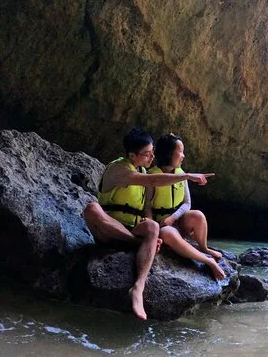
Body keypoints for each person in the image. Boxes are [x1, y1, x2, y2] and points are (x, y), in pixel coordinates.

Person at [82, 128, 211, 320]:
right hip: (108, 232)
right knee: (91, 208)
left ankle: (138, 287)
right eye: (147, 153)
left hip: (132, 229)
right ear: (132, 155)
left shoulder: (142, 168)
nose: (152, 157)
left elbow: (149, 208)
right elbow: (153, 180)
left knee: (152, 226)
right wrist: (188, 176)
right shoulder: (118, 170)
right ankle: (137, 243)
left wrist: (154, 225)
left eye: (152, 152)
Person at [144, 133, 225, 280]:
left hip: (178, 221)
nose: (183, 156)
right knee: (168, 233)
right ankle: (208, 260)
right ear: (169, 153)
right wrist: (152, 228)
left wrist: (173, 217)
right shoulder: (152, 175)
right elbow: (147, 206)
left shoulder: (181, 174)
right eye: (180, 151)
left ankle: (204, 248)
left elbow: (187, 203)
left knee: (198, 215)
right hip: (162, 225)